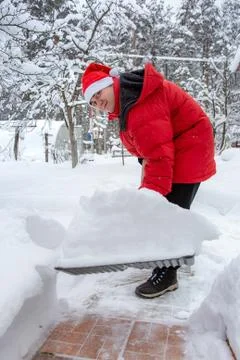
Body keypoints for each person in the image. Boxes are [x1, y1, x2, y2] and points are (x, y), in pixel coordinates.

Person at [81, 62, 216, 299]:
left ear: (110, 84)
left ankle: (167, 273)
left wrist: (150, 197)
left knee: (170, 211)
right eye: (92, 102)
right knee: (166, 208)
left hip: (189, 146)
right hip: (178, 146)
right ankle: (169, 255)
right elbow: (149, 150)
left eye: (98, 93)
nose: (97, 102)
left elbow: (158, 154)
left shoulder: (138, 104)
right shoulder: (129, 101)